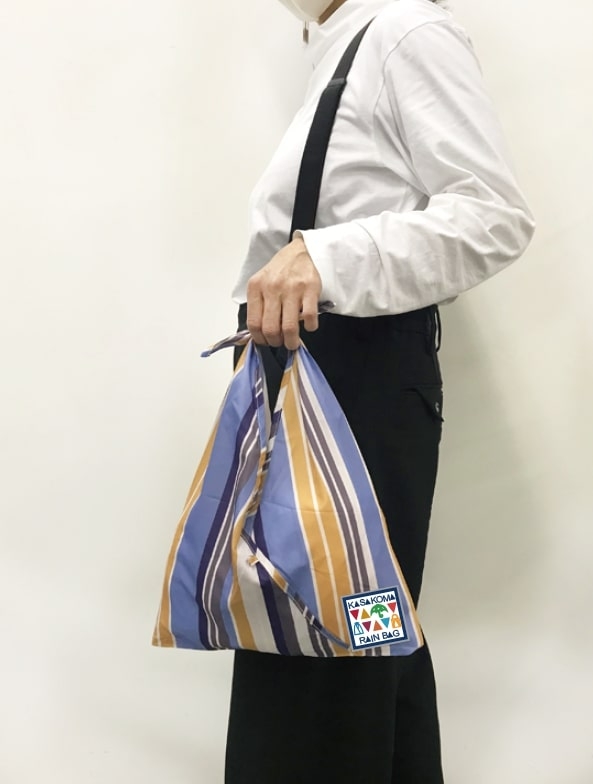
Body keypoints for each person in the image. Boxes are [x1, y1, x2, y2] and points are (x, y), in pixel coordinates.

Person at [226, 1, 535, 782]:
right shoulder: (339, 46)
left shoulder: (402, 31)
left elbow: (494, 216)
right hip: (316, 384)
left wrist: (324, 257)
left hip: (353, 390)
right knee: (355, 643)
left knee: (332, 647)